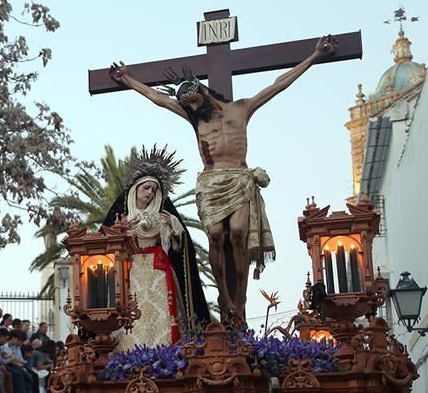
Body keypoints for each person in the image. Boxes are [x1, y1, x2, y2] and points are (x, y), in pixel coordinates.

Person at [109, 36, 337, 321]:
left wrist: (313, 57)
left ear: (203, 94)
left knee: (239, 233)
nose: (191, 110)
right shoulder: (195, 119)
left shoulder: (241, 109)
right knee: (216, 236)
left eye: (193, 103)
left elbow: (279, 84)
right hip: (210, 181)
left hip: (238, 178)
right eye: (188, 106)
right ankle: (224, 297)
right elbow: (160, 99)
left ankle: (239, 300)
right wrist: (129, 80)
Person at [104, 146, 211, 345]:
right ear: (136, 189)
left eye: (154, 190)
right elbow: (106, 248)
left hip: (159, 271)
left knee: (161, 314)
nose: (150, 193)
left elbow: (181, 249)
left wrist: (174, 227)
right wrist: (121, 232)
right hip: (131, 272)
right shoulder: (123, 219)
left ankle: (166, 354)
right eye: (146, 188)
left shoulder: (165, 217)